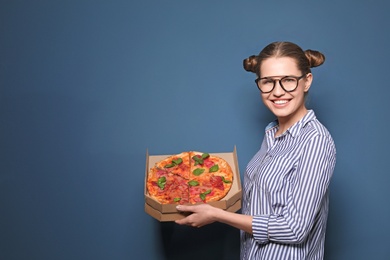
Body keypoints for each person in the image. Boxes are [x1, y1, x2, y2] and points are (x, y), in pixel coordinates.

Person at [175, 41, 337, 259]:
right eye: (267, 82)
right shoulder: (273, 134)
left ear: (306, 81)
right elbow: (264, 203)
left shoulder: (315, 140)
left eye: (288, 80)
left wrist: (217, 215)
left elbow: (295, 229)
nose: (277, 92)